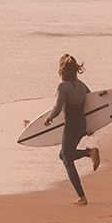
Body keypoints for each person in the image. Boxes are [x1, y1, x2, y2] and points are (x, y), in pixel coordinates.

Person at [44, 54, 100, 205]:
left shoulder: (63, 86)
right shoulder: (82, 85)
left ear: (61, 70)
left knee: (67, 160)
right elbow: (92, 104)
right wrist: (91, 126)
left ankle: (82, 197)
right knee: (64, 155)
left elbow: (57, 108)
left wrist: (48, 118)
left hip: (72, 126)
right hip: (82, 123)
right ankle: (89, 152)